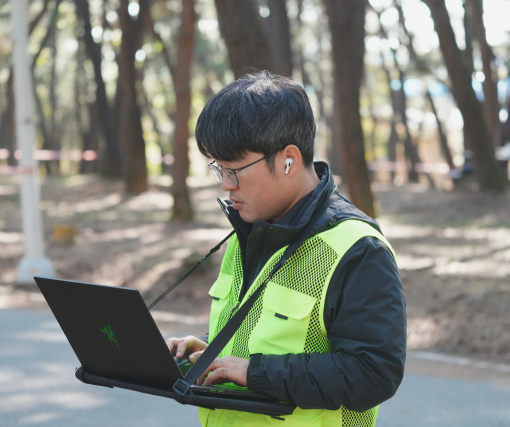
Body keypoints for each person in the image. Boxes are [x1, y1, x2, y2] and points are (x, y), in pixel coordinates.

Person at [166, 71, 406, 427]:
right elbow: (262, 336)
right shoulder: (248, 231)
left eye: (235, 171)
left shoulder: (357, 248)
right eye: (218, 169)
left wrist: (257, 373)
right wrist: (210, 349)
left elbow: (373, 372)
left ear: (288, 160)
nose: (226, 186)